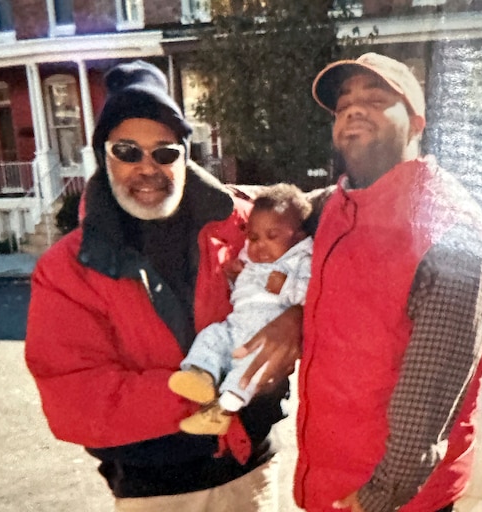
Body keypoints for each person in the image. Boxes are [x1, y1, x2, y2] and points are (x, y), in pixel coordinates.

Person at [24, 60, 294, 512]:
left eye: (164, 152)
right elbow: (75, 399)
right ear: (103, 155)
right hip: (159, 492)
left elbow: (318, 244)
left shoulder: (241, 225)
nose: (147, 167)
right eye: (127, 151)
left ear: (185, 156)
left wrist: (295, 318)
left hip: (253, 470)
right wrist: (200, 392)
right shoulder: (68, 268)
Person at [236, 52, 482, 512]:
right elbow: (269, 208)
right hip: (327, 481)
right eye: (343, 106)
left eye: (376, 99)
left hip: (390, 499)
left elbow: (429, 395)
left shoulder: (449, 232)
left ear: (416, 122)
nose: (354, 110)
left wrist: (379, 496)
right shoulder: (339, 206)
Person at [168, 183, 313, 436]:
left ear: (298, 237)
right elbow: (246, 293)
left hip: (266, 331)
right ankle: (200, 374)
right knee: (212, 336)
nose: (259, 246)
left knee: (247, 373)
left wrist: (287, 285)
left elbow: (314, 295)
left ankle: (220, 412)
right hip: (236, 323)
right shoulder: (252, 257)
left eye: (272, 236)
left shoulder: (302, 259)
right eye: (254, 237)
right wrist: (235, 277)